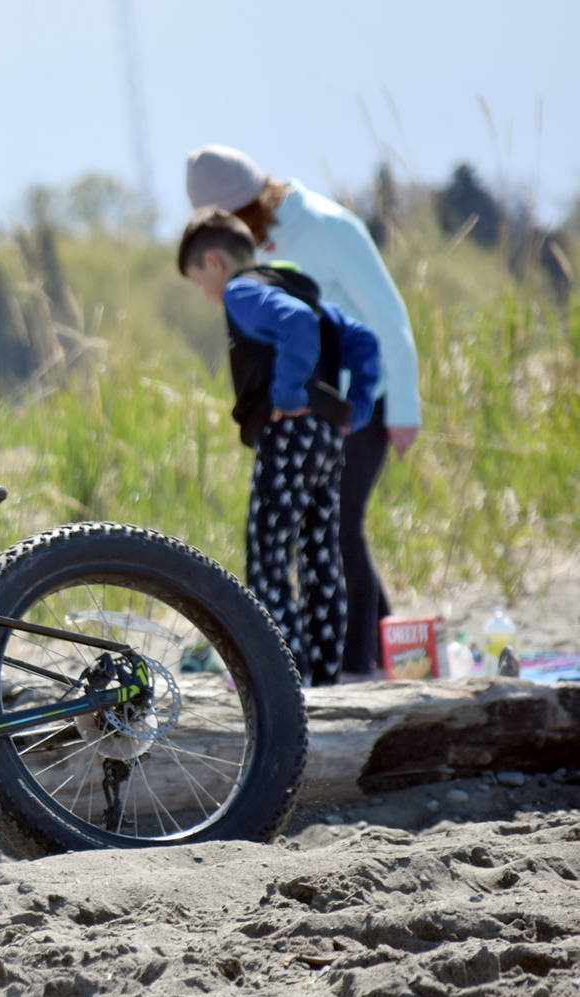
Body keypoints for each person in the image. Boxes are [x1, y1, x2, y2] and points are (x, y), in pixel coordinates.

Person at [186, 145, 420, 680]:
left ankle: (352, 664)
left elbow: (386, 317)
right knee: (328, 530)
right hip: (317, 409)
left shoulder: (326, 227)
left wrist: (398, 407)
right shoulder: (258, 248)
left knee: (333, 529)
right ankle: (379, 654)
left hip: (362, 399)